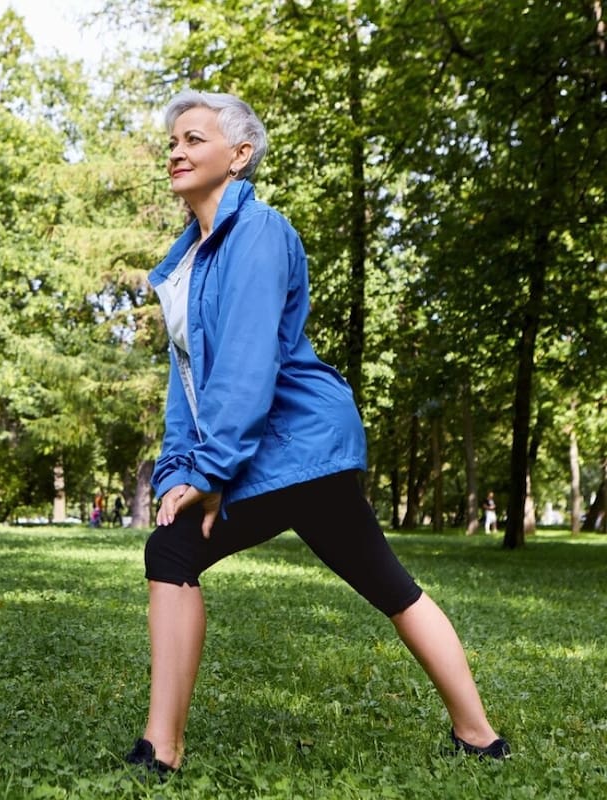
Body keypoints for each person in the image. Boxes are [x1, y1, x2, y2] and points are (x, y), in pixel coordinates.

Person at [123, 90, 509, 779]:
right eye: (172, 143)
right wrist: (178, 466)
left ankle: (162, 750)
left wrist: (211, 472)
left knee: (172, 552)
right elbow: (185, 381)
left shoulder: (261, 234)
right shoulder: (190, 262)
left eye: (193, 139)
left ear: (239, 156)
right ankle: (478, 737)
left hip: (295, 444)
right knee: (391, 585)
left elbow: (245, 368)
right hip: (293, 452)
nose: (176, 153)